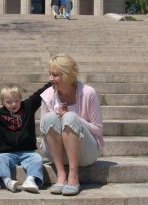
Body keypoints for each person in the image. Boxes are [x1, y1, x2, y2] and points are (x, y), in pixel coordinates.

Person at [40, 54, 104, 196]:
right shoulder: (47, 96)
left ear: (68, 75)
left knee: (70, 117)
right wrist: (58, 119)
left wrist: (75, 118)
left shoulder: (88, 93)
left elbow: (98, 130)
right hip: (57, 153)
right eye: (50, 74)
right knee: (50, 118)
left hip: (85, 153)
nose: (50, 78)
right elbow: (43, 129)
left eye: (55, 75)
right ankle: (61, 175)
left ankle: (73, 176)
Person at [0, 82, 52, 193]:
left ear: (21, 99)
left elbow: (39, 94)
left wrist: (52, 82)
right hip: (7, 153)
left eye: (17, 101)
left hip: (28, 152)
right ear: (3, 102)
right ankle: (7, 181)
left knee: (37, 159)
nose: (13, 104)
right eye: (9, 102)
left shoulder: (28, 106)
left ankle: (30, 180)